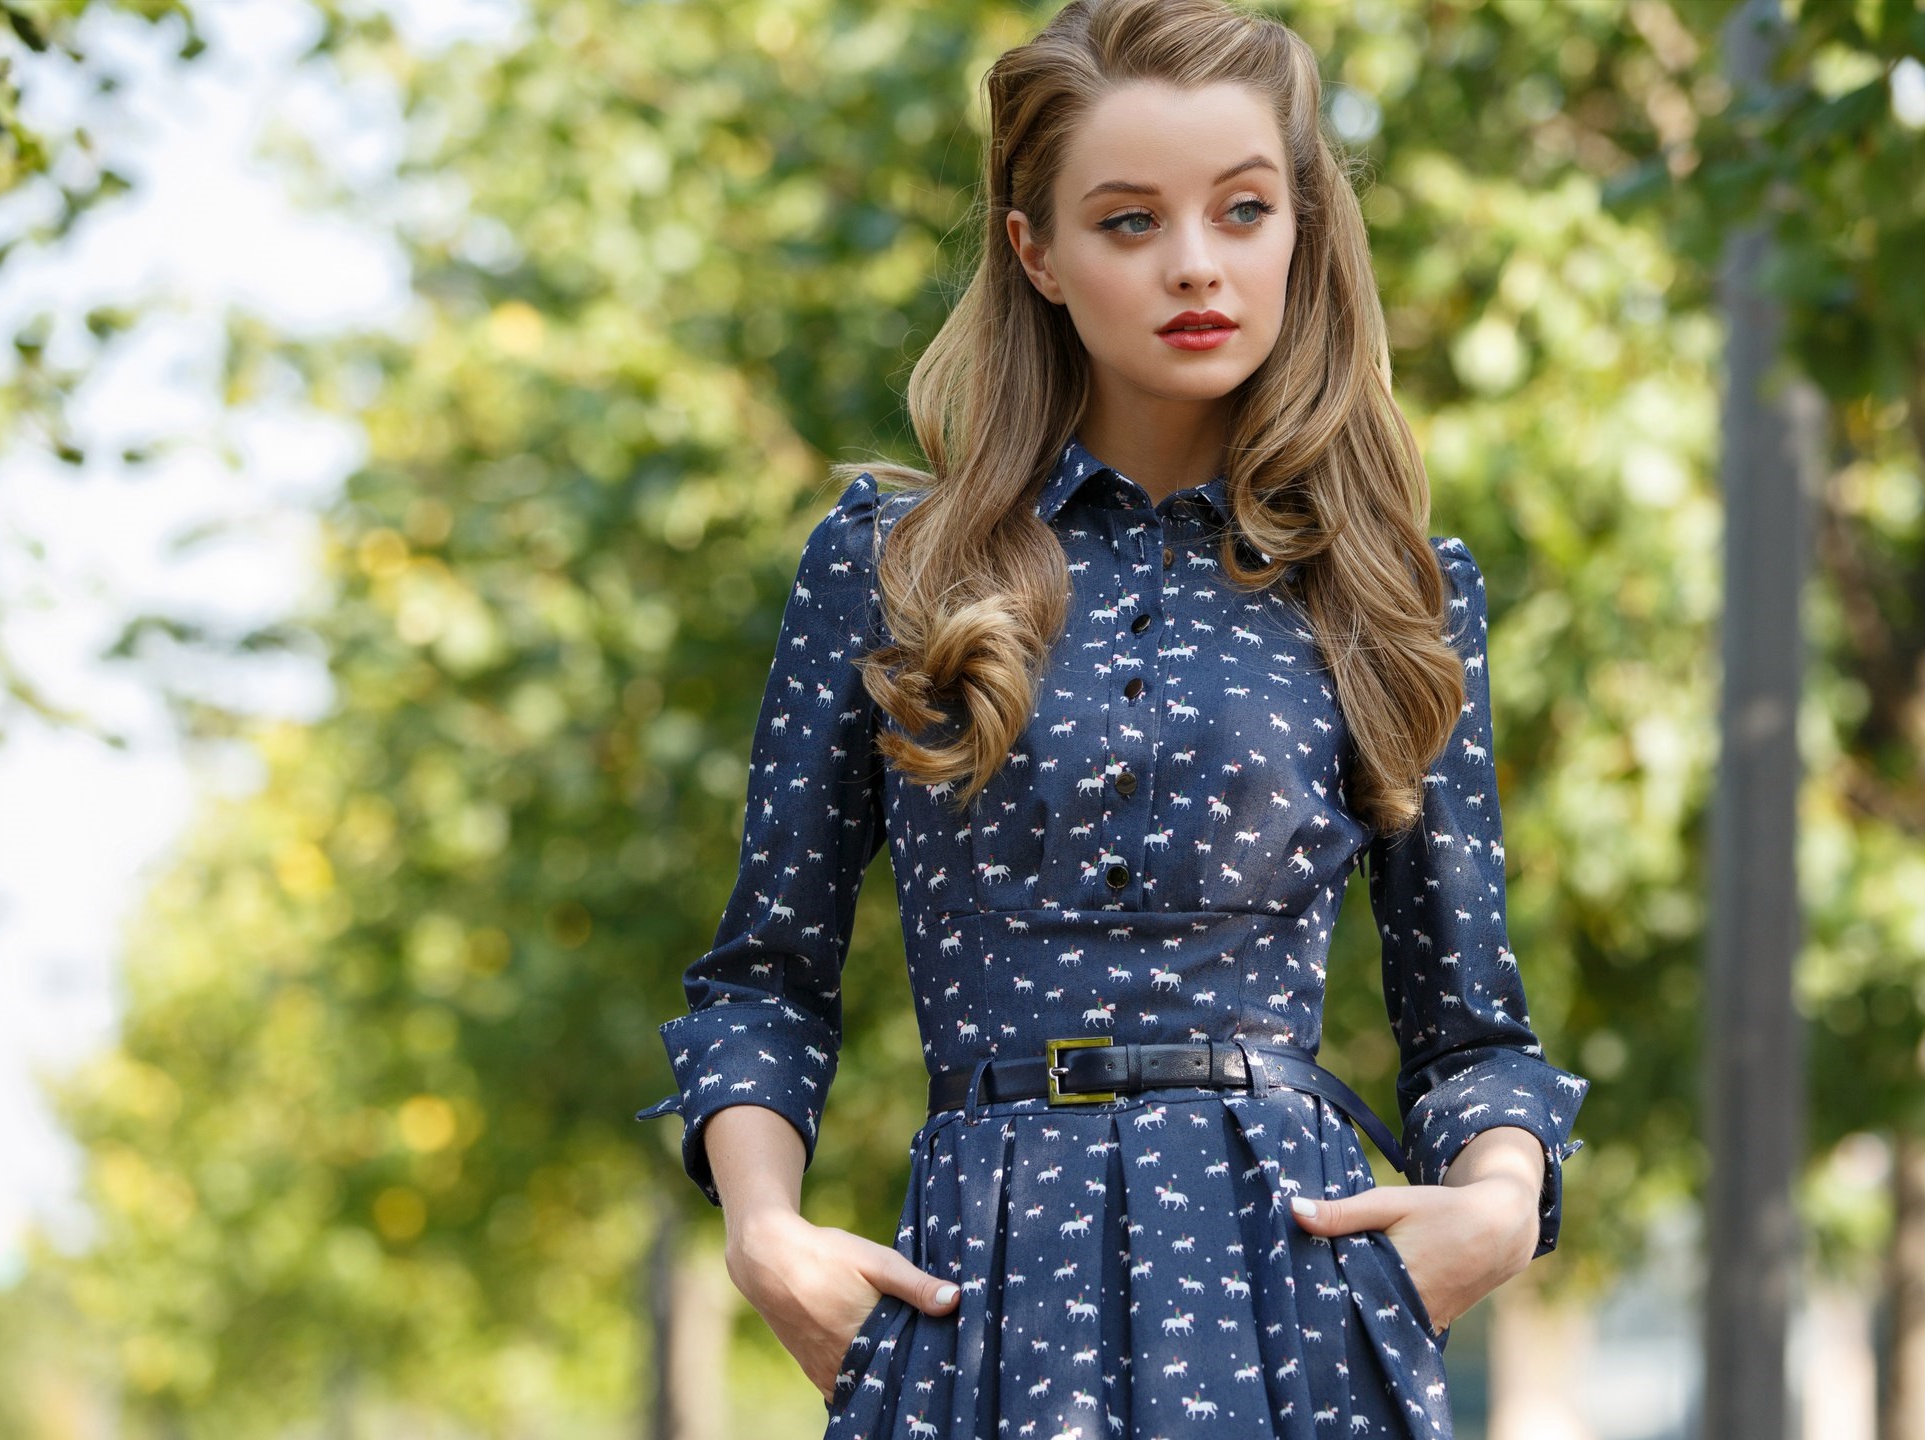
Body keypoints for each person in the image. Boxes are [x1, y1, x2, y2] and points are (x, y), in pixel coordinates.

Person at [635, 0, 1587, 1433]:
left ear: (1303, 228)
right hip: (984, 1297)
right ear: (1038, 252)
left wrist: (1497, 1206)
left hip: (1294, 1300)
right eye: (1130, 221)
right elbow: (766, 977)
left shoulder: (1391, 589)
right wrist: (767, 1234)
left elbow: (1472, 1029)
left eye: (1243, 210)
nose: (1196, 264)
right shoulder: (890, 567)